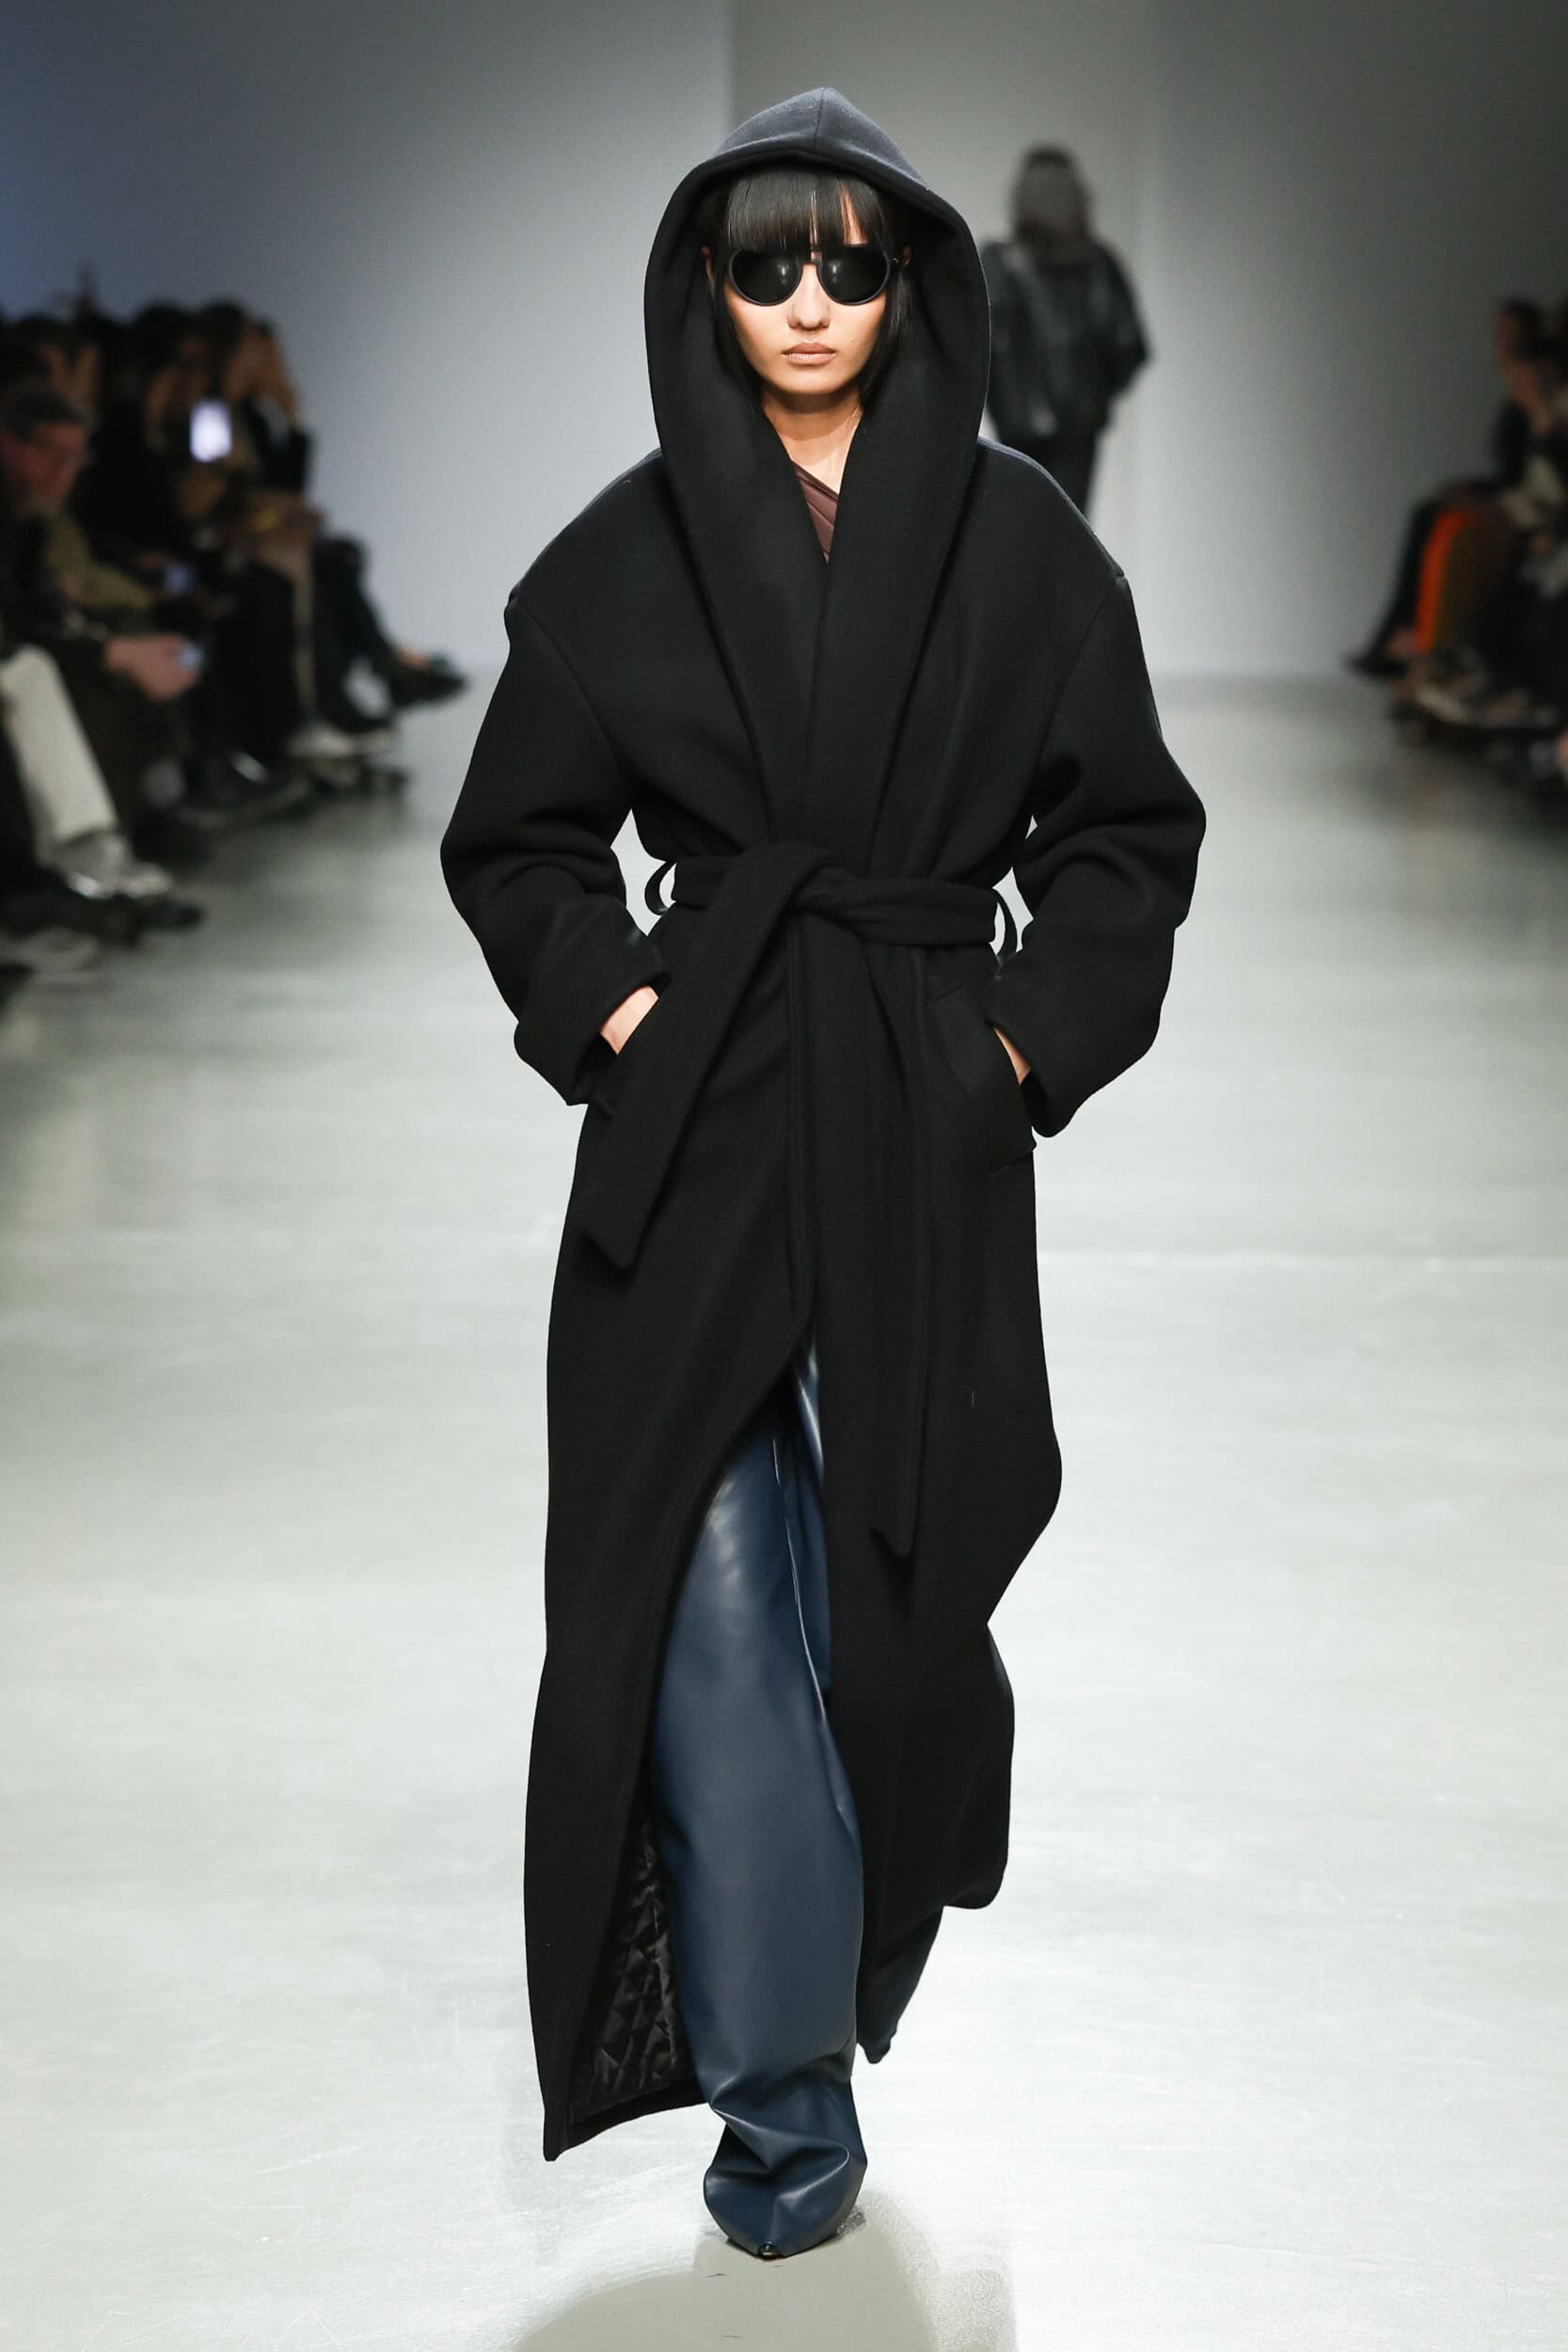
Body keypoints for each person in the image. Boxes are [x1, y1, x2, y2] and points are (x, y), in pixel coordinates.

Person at [440, 87, 1205, 2262]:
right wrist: (613, 1005)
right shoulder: (627, 548)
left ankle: (861, 1924)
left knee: (894, 1631)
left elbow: (1123, 833)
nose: (803, 300)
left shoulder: (1020, 542)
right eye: (762, 261)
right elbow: (516, 834)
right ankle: (783, 2111)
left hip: (914, 1118)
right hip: (696, 1117)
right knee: (695, 1608)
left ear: (907, 283)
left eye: (845, 262)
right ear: (703, 285)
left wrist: (1012, 1043)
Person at [979, 145, 1148, 516]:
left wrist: (1004, 399)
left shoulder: (998, 261)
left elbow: (980, 345)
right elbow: (1129, 344)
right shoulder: (1099, 262)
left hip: (1017, 428)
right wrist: (1095, 393)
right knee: (1070, 528)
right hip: (1078, 429)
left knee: (1019, 527)